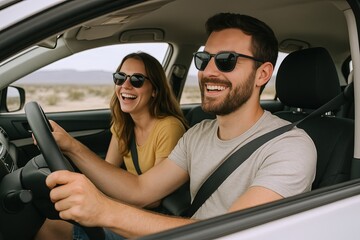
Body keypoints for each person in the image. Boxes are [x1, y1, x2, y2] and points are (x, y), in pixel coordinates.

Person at [37, 13, 316, 240]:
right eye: (204, 60)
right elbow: (140, 189)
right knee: (48, 228)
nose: (208, 71)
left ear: (263, 74)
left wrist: (105, 211)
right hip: (185, 232)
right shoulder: (198, 135)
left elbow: (232, 233)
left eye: (226, 61)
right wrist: (71, 147)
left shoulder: (290, 146)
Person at [34, 52, 187, 239]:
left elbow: (153, 199)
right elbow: (107, 171)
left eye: (137, 80)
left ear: (155, 90)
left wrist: (71, 146)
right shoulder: (123, 124)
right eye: (120, 78)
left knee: (47, 228)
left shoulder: (169, 128)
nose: (125, 85)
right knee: (46, 215)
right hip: (126, 205)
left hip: (153, 221)